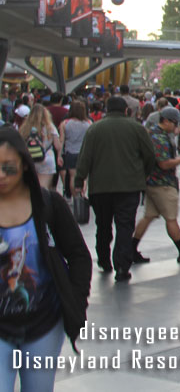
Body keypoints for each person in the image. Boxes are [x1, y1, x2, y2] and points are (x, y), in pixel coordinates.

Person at [0, 127, 92, 391]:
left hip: (44, 325)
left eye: (9, 167)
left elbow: (78, 256)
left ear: (25, 166)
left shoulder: (49, 205)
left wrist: (75, 303)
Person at [74, 96, 157, 283]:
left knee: (102, 225)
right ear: (126, 110)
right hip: (129, 186)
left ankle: (103, 259)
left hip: (100, 188)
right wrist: (143, 173)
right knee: (125, 226)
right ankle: (122, 265)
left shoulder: (94, 129)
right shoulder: (136, 128)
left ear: (106, 109)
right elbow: (150, 154)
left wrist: (79, 180)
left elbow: (85, 157)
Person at [131, 107, 180, 264]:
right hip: (162, 183)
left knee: (149, 216)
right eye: (175, 123)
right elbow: (164, 164)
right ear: (166, 121)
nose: (177, 127)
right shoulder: (159, 138)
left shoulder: (154, 134)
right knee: (171, 218)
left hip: (153, 182)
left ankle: (132, 248)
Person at [19, 105, 61, 190]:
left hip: (30, 159)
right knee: (44, 188)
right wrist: (59, 156)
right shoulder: (50, 127)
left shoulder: (25, 128)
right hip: (47, 158)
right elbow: (57, 145)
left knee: (32, 188)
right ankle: (43, 202)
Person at [59, 100, 91, 199]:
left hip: (70, 153)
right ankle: (82, 194)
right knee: (84, 178)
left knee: (72, 176)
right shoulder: (89, 123)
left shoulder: (65, 123)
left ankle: (75, 197)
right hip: (84, 153)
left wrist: (59, 155)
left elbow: (61, 141)